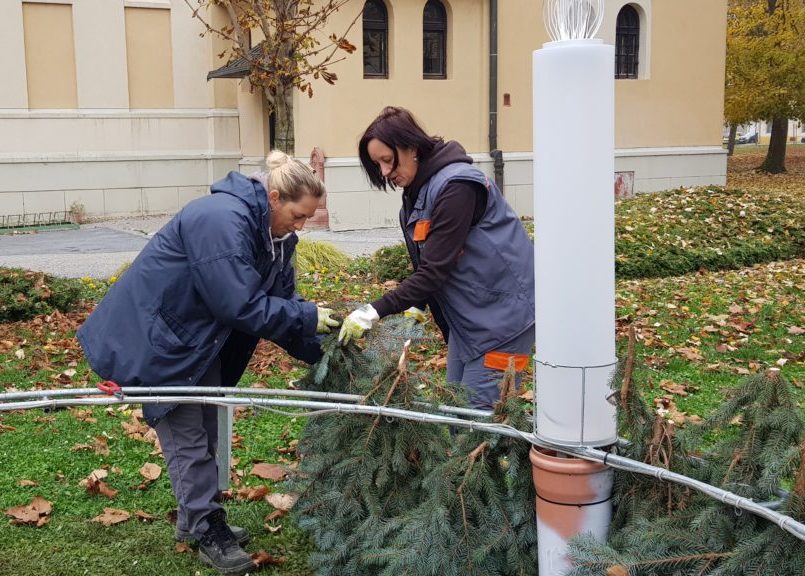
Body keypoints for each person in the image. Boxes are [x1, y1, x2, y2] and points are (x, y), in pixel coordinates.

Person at [77, 150, 339, 575]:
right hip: (160, 339)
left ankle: (194, 518)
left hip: (197, 340)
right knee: (187, 435)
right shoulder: (220, 218)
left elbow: (283, 305)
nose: (301, 225)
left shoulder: (277, 238)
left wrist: (324, 344)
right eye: (298, 214)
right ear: (274, 197)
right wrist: (309, 317)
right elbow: (237, 302)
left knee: (207, 427)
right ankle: (206, 529)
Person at [340, 106, 535, 410]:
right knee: (457, 411)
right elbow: (434, 260)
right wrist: (417, 305)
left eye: (388, 160)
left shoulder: (457, 188)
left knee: (477, 423)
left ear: (412, 147)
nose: (385, 173)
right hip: (470, 322)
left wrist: (373, 311)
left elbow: (433, 270)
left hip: (503, 321)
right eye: (377, 164)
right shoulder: (419, 192)